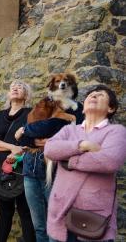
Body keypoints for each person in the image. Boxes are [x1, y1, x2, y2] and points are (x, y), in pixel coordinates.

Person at [44, 85, 126, 242]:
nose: (93, 96)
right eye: (90, 95)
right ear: (82, 109)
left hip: (94, 218)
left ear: (111, 108)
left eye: (100, 95)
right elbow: (49, 149)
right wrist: (83, 145)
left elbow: (110, 161)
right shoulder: (69, 130)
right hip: (61, 213)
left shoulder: (116, 132)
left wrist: (70, 160)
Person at [15, 85, 84, 242]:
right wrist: (29, 134)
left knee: (57, 225)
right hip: (30, 170)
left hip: (55, 171)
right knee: (39, 225)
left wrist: (26, 131)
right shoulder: (45, 106)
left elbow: (51, 128)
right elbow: (21, 138)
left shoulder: (76, 109)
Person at [0, 81, 35, 242]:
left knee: (25, 211)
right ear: (8, 94)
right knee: (4, 211)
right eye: (12, 87)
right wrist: (13, 148)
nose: (15, 89)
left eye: (20, 87)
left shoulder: (31, 113)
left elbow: (32, 140)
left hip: (23, 168)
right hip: (1, 169)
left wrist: (18, 152)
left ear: (26, 95)